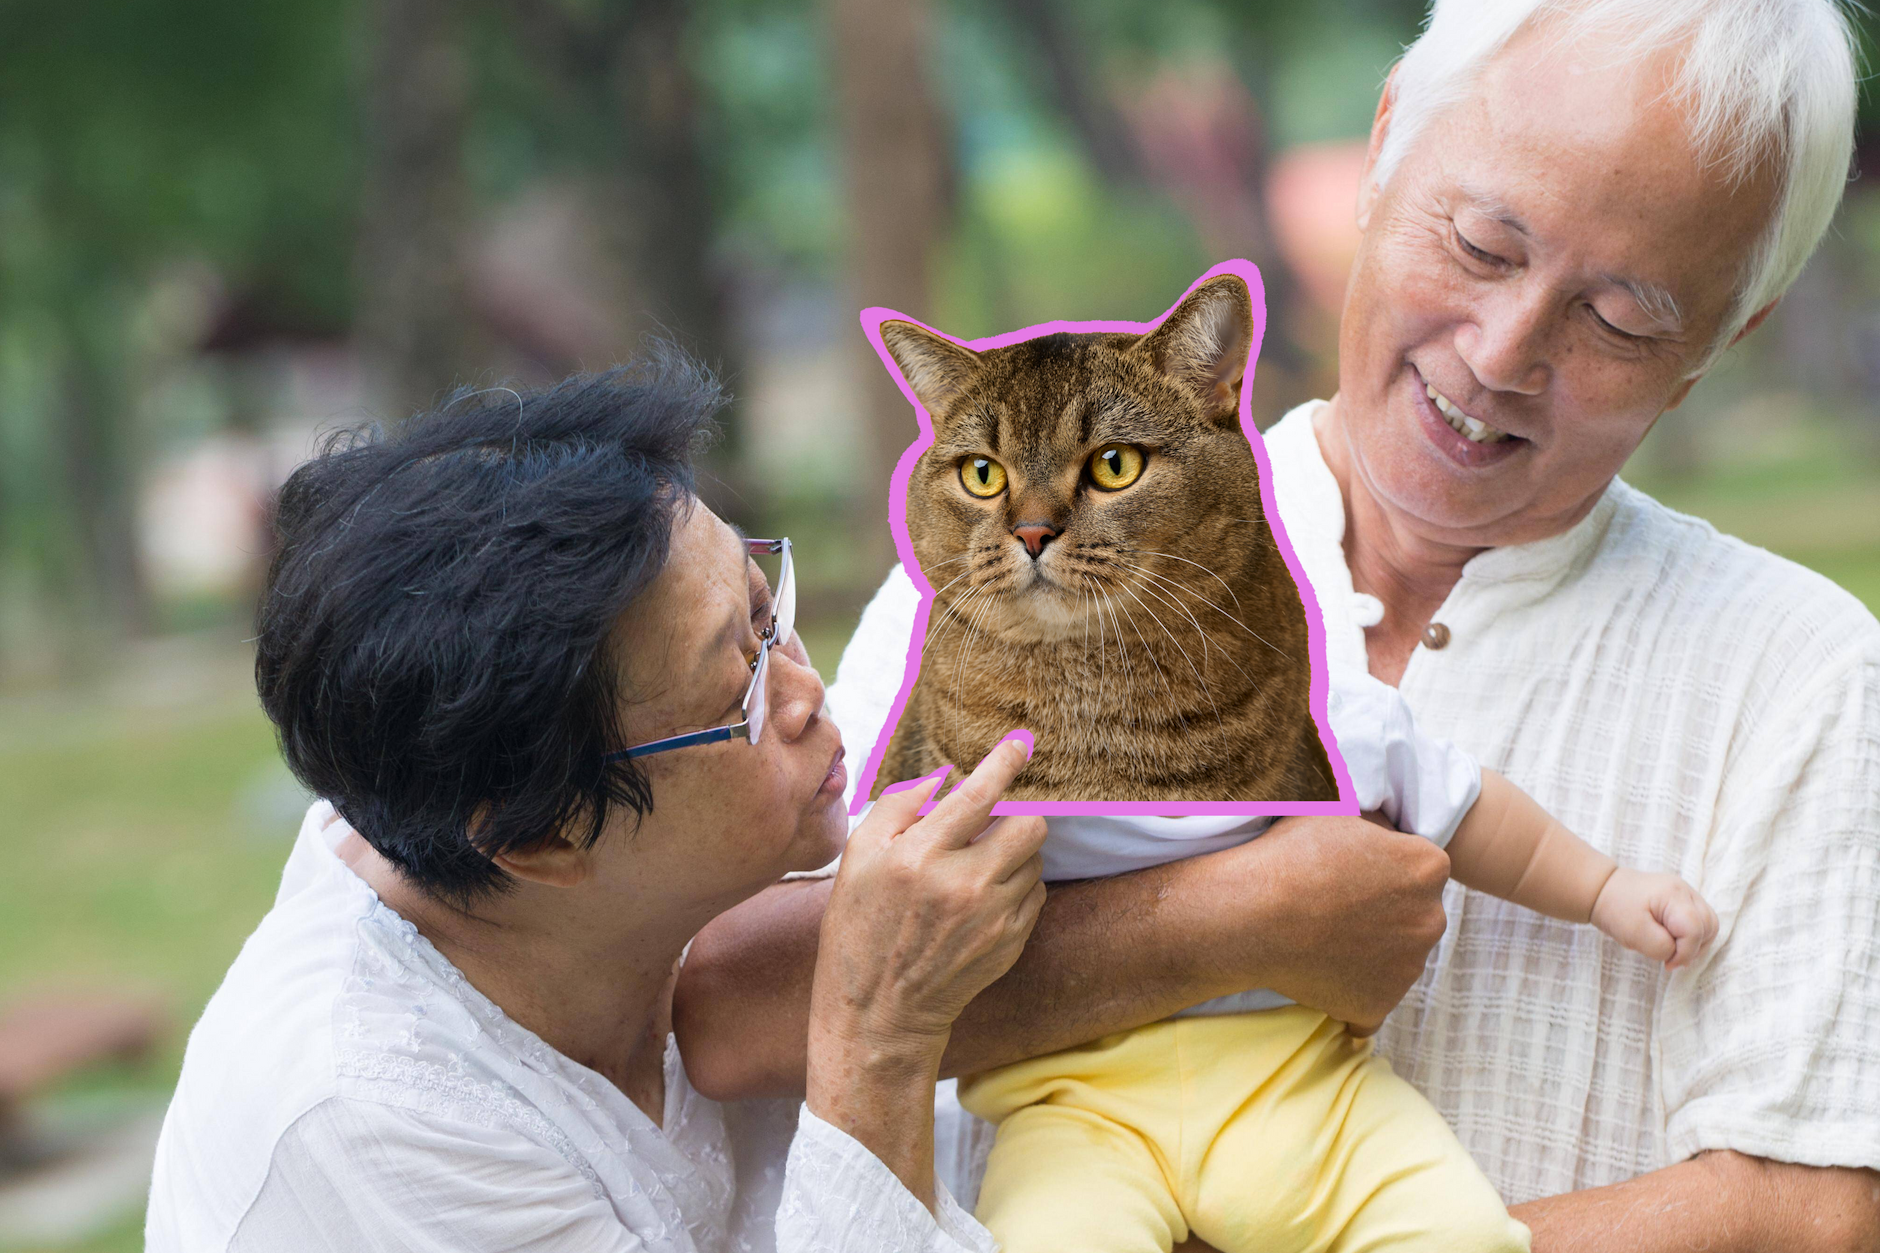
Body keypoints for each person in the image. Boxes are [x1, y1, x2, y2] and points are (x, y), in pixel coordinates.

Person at [676, 1, 1880, 1248]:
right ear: (1381, 151)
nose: (1501, 351)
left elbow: (1808, 1212)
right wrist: (1239, 917)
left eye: (1619, 320)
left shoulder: (1799, 673)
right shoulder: (1002, 579)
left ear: (1722, 339)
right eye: (1479, 244)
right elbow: (728, 1008)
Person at [143, 360, 1055, 1252]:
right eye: (736, 687)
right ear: (540, 834)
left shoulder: (646, 851)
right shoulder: (367, 1116)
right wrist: (878, 1038)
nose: (804, 690)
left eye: (763, 608)